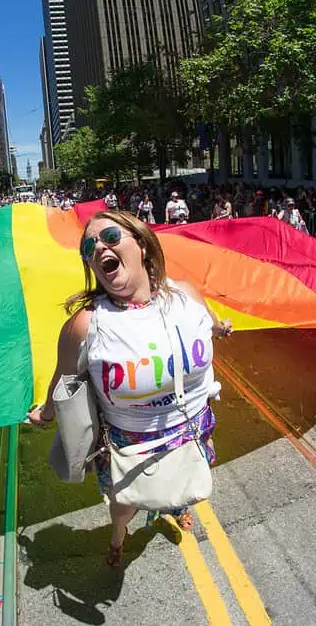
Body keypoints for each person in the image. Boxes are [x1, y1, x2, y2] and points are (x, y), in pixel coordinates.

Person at [27, 211, 232, 566]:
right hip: (130, 450)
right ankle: (119, 537)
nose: (99, 247)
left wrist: (220, 327)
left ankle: (175, 505)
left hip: (193, 432)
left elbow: (210, 324)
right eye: (89, 247)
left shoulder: (186, 296)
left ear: (141, 244)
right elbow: (63, 379)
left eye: (109, 235)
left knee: (185, 483)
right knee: (124, 508)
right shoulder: (87, 325)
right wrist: (45, 413)